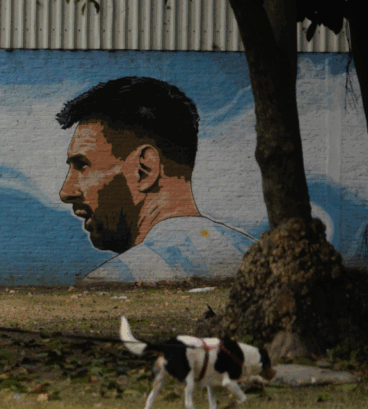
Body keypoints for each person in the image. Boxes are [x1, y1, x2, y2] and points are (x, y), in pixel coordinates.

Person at [56, 76, 255, 283]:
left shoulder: (114, 281)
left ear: (144, 170)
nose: (66, 192)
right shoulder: (262, 262)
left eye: (82, 166)